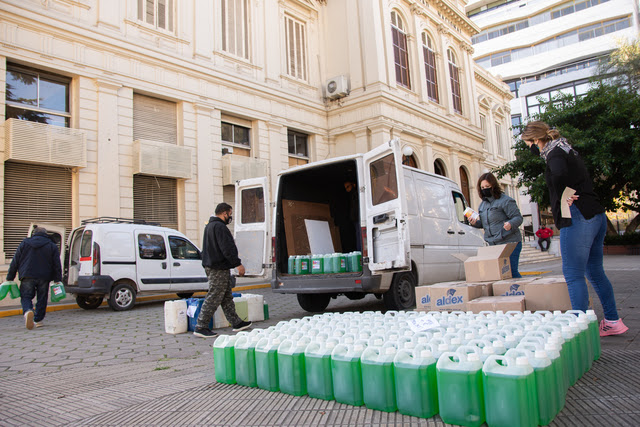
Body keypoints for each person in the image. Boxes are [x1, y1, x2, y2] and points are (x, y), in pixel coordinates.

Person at [522, 120, 628, 337]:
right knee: (595, 272)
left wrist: (564, 195)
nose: (529, 149)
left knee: (573, 273)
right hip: (595, 214)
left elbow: (559, 174)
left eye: (528, 144)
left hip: (578, 217)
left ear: (535, 140)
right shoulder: (565, 148)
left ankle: (579, 329)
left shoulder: (554, 154)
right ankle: (612, 320)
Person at [194, 203, 251, 338]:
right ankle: (201, 326)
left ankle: (236, 322)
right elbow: (227, 248)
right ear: (224, 213)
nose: (230, 217)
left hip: (214, 265)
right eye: (230, 214)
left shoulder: (209, 226)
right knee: (215, 295)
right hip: (217, 267)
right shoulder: (219, 227)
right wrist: (238, 264)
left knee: (226, 296)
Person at [469, 172, 524, 278]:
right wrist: (475, 223)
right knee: (499, 274)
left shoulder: (506, 201)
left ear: (493, 186)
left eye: (487, 187)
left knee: (511, 272)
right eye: (482, 187)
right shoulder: (482, 205)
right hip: (493, 244)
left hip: (510, 242)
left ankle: (520, 292)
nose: (485, 189)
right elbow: (485, 224)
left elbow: (518, 218)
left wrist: (510, 223)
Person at [7, 226, 62, 330]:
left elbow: (15, 260)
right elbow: (56, 264)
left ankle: (28, 310)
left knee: (26, 296)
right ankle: (38, 320)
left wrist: (10, 276)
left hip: (27, 274)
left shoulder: (25, 243)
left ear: (33, 234)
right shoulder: (51, 245)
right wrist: (57, 279)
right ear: (46, 234)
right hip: (44, 277)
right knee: (42, 297)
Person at [344, 181, 362, 252]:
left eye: (348, 187)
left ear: (353, 185)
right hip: (355, 219)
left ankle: (360, 251)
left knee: (359, 236)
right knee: (358, 236)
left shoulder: (356, 194)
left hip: (358, 218)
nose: (347, 189)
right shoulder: (351, 196)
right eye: (345, 188)